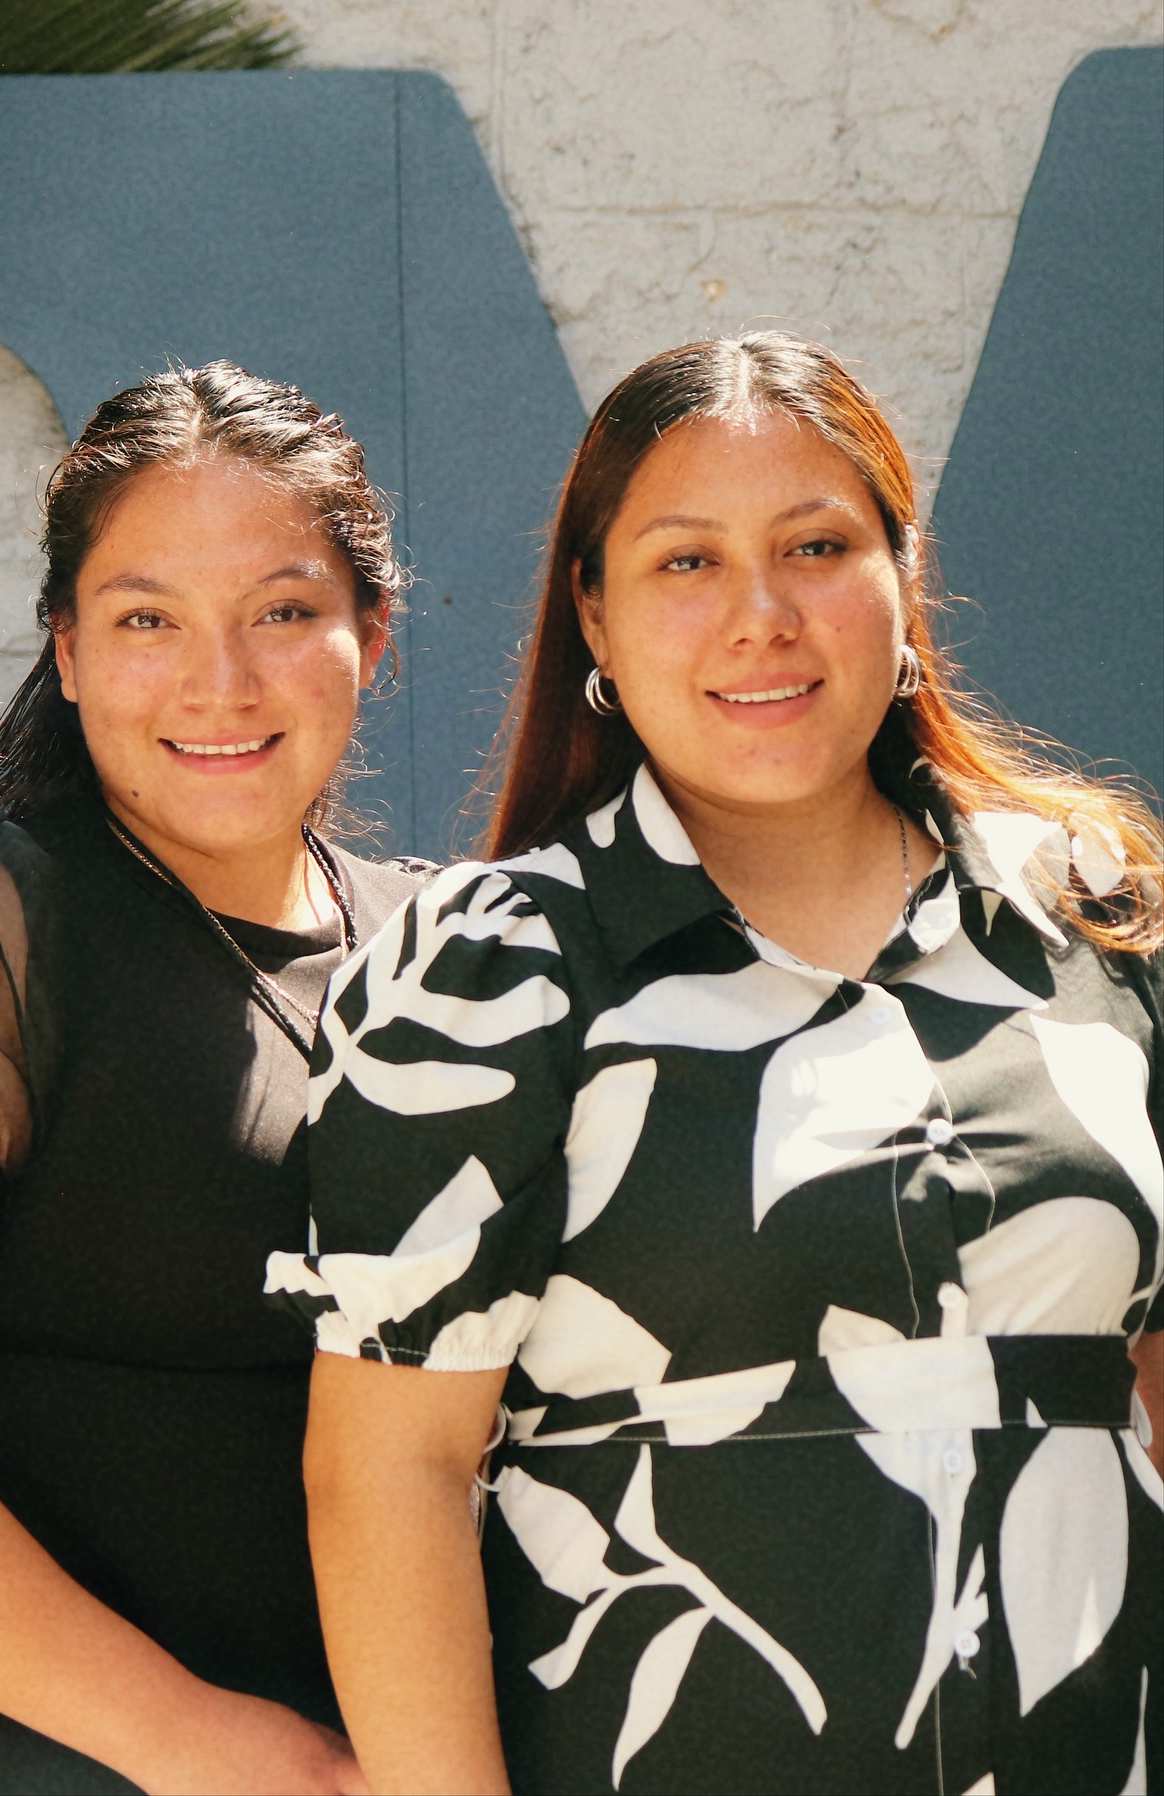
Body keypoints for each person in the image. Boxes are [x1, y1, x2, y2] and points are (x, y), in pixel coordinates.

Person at [269, 334, 1164, 1796]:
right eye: (687, 562)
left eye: (817, 546)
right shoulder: (490, 972)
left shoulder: (1092, 910)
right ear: (595, 615)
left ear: (902, 576)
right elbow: (387, 1479)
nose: (763, 617)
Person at [0, 363, 432, 1795]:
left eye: (281, 612)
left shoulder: (448, 949)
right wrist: (203, 1744)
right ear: (64, 648)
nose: (219, 681)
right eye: (145, 619)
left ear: (374, 631)